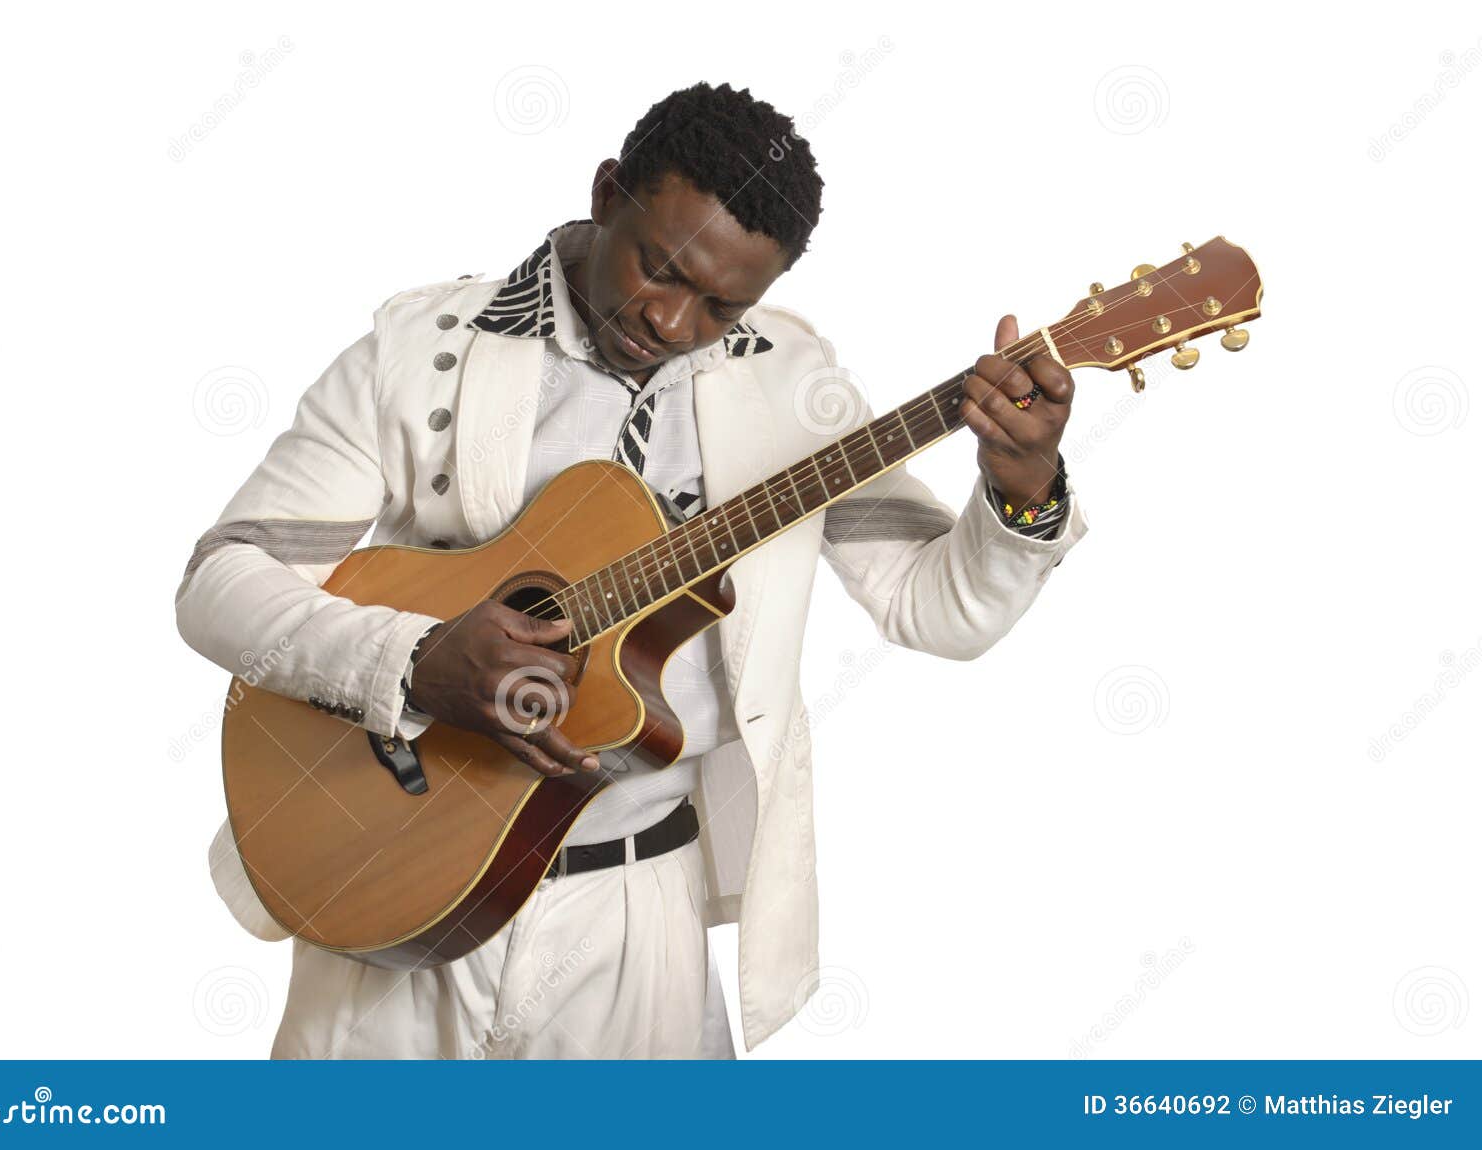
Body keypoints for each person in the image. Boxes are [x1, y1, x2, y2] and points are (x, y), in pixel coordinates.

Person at [175, 81, 1087, 1059]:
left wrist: (1021, 483)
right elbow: (224, 579)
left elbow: (935, 609)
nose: (672, 320)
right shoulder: (422, 349)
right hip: (392, 880)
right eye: (659, 268)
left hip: (636, 918)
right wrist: (415, 658)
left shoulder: (793, 381)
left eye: (723, 302)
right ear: (608, 191)